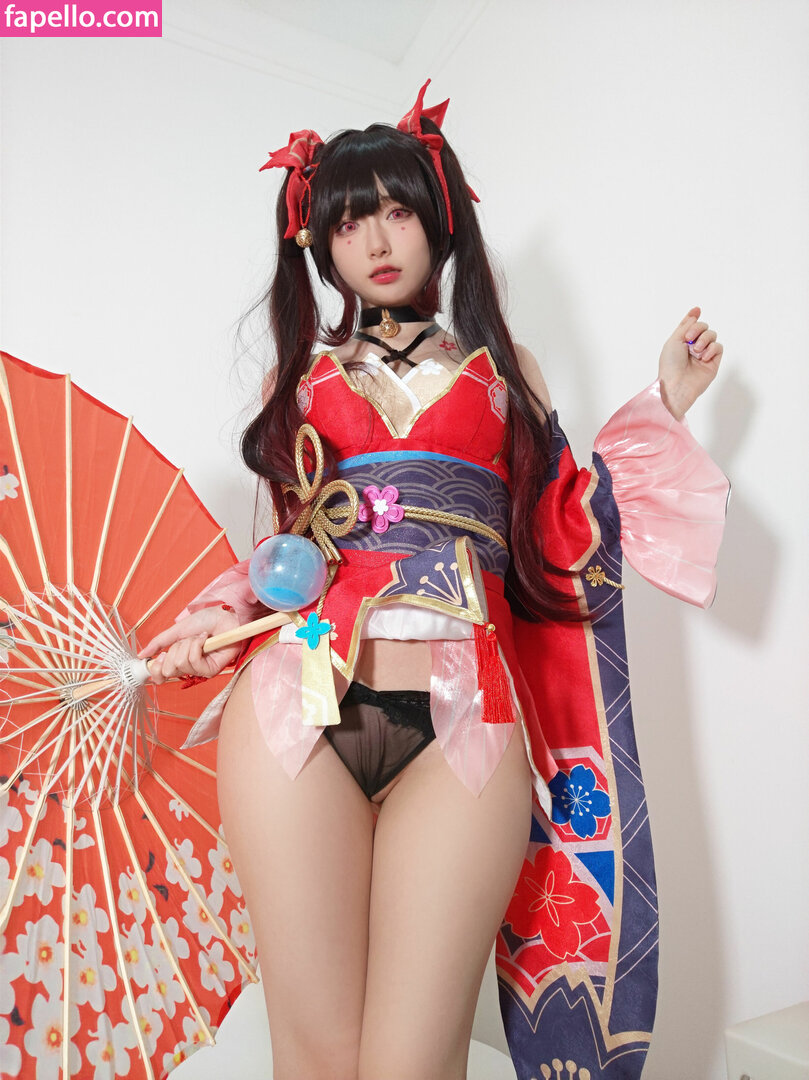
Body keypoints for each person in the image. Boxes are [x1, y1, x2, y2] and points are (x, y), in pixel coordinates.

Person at [140, 82, 726, 1080]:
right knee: (316, 1058)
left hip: (465, 714)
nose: (375, 239)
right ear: (317, 242)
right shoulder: (298, 380)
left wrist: (663, 403)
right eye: (348, 220)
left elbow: (560, 526)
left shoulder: (505, 369)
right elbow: (283, 553)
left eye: (395, 210)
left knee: (413, 1064)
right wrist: (212, 615)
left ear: (437, 216)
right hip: (298, 698)